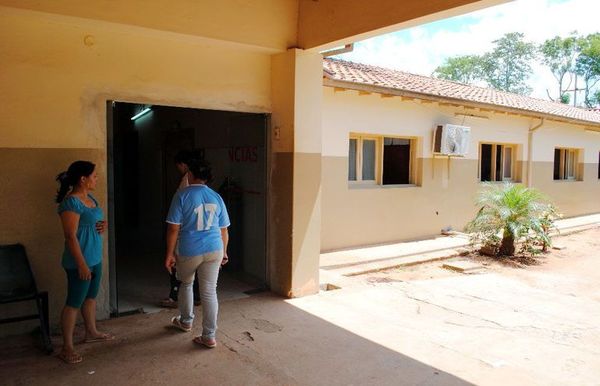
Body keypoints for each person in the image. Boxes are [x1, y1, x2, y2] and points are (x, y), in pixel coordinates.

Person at [164, 159, 230, 348]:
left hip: (189, 250)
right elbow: (224, 230)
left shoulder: (182, 196)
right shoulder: (216, 197)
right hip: (214, 248)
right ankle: (209, 336)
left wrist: (169, 254)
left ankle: (186, 321)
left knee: (186, 283)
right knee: (209, 292)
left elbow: (173, 229)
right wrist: (224, 251)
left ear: (190, 175)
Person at [55, 161, 114, 364]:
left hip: (95, 258)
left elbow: (92, 223)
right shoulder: (71, 203)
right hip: (80, 261)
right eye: (94, 176)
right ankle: (67, 347)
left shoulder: (90, 198)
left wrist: (102, 225)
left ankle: (91, 332)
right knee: (74, 302)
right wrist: (81, 264)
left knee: (90, 297)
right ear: (83, 178)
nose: (96, 179)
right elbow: (70, 236)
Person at [160, 150, 201, 308]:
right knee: (196, 267)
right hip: (196, 230)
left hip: (184, 230)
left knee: (177, 263)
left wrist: (169, 250)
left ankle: (175, 297)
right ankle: (196, 296)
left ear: (183, 165)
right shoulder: (203, 187)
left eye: (178, 166)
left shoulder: (186, 182)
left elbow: (175, 223)